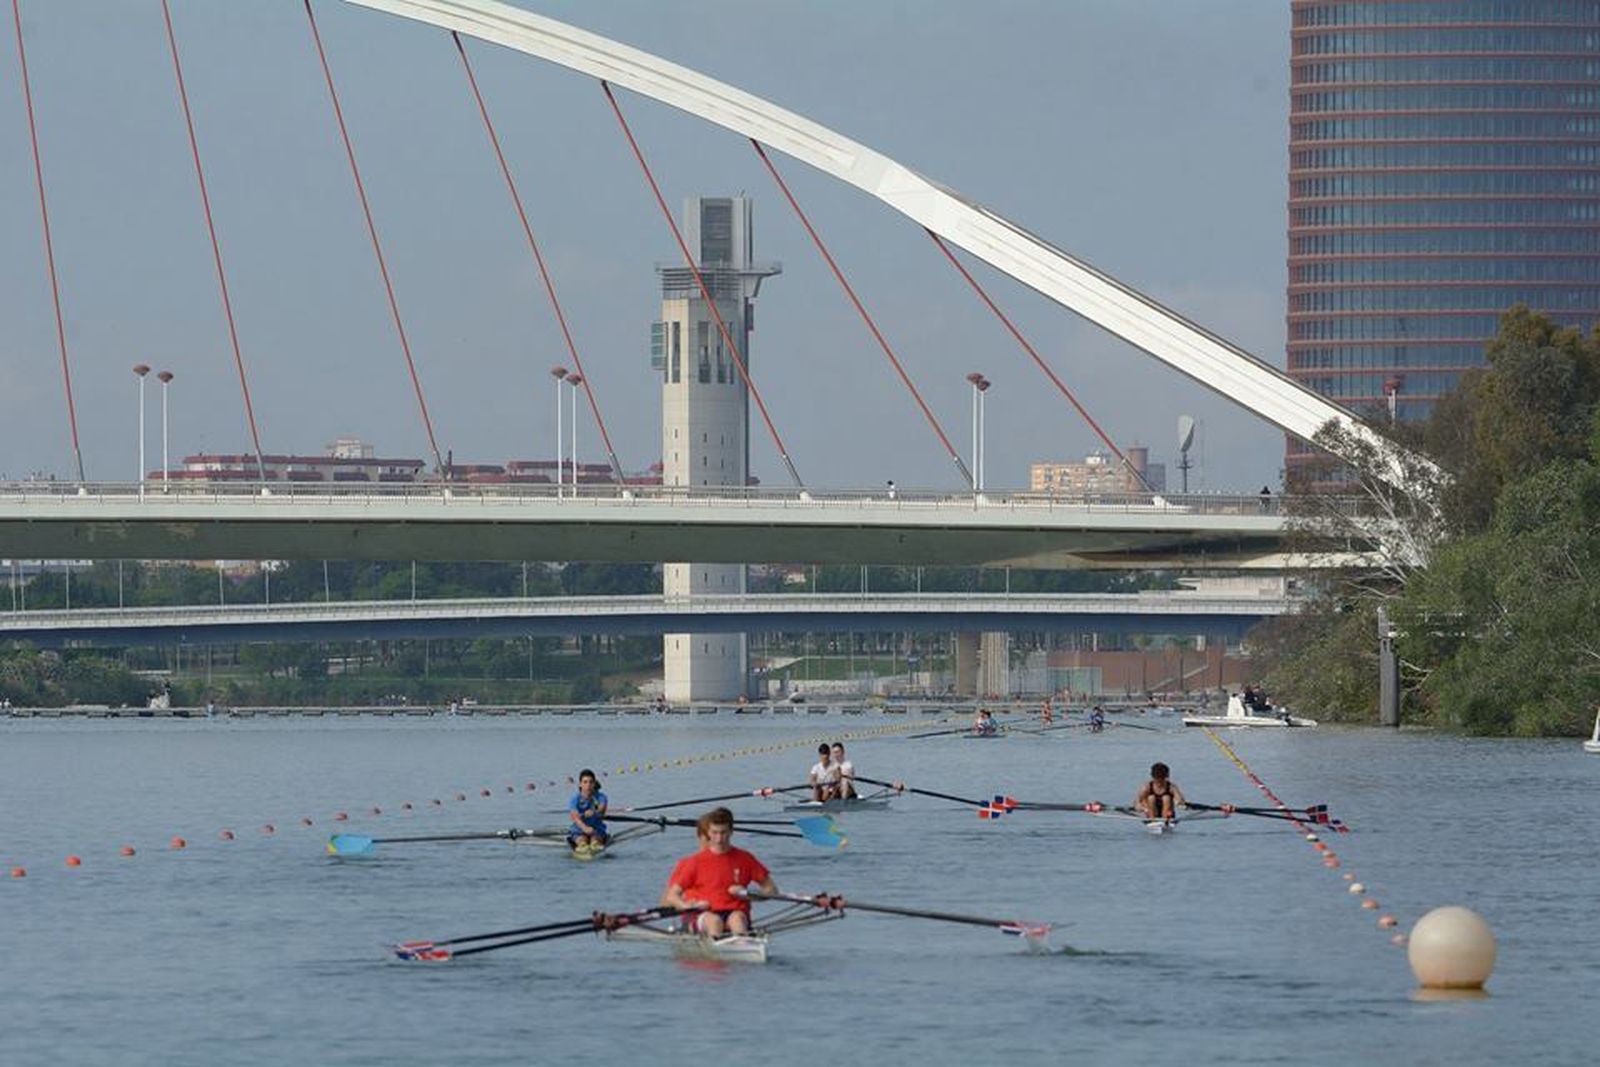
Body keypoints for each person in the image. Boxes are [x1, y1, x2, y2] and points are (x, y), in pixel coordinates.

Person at [661, 807, 779, 938]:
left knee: (737, 919)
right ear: (708, 833)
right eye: (715, 833)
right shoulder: (693, 862)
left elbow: (772, 890)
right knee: (714, 922)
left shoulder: (746, 858)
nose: (719, 839)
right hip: (703, 914)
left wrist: (748, 895)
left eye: (723, 833)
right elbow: (671, 896)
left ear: (731, 832)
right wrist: (687, 906)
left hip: (735, 913)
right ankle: (718, 945)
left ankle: (741, 942)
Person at [566, 769, 609, 851]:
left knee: (595, 841)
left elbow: (602, 808)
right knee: (582, 841)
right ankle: (582, 847)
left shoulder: (601, 797)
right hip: (579, 829)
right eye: (585, 782)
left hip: (596, 829)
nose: (588, 785)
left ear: (594, 784)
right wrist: (585, 828)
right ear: (580, 784)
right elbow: (575, 817)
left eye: (590, 782)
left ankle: (595, 846)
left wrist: (594, 812)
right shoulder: (575, 799)